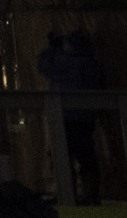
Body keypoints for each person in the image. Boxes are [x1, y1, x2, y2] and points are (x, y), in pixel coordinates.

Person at [36, 27, 109, 203]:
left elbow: (43, 65)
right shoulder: (92, 64)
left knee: (64, 157)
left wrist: (53, 47)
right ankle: (91, 195)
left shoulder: (64, 63)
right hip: (85, 119)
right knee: (86, 157)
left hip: (65, 118)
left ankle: (68, 195)